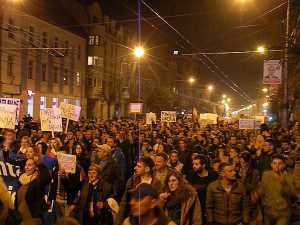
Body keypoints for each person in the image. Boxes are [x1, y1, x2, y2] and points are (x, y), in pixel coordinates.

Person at [116, 156, 162, 225]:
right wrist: (118, 221)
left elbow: (157, 205)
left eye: (139, 166)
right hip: (133, 219)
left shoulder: (156, 184)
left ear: (147, 169)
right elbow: (124, 202)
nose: (135, 168)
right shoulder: (132, 180)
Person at [258, 155, 296, 225]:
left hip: (283, 213)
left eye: (280, 164)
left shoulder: (289, 177)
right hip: (268, 213)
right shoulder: (266, 175)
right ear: (271, 164)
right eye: (275, 163)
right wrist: (263, 201)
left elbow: (293, 194)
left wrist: (284, 184)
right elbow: (262, 190)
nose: (277, 166)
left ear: (284, 165)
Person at [14, 156, 51, 225]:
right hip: (20, 219)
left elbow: (47, 178)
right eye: (26, 164)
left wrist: (40, 164)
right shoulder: (21, 179)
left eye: (30, 165)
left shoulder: (38, 180)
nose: (27, 167)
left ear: (36, 167)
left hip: (33, 219)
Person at [187, 154, 217, 224]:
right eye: (193, 164)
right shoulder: (191, 175)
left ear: (203, 165)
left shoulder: (212, 177)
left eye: (196, 164)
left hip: (207, 208)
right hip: (195, 207)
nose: (193, 166)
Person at [238, 151, 260, 224]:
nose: (242, 164)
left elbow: (253, 187)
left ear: (249, 162)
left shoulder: (254, 172)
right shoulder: (237, 170)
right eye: (241, 162)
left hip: (248, 200)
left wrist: (241, 182)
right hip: (238, 200)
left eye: (244, 162)